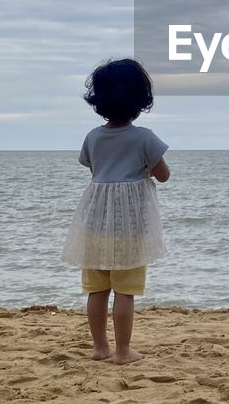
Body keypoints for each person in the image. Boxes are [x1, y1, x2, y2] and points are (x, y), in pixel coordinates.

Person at [61, 58, 170, 363]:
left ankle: (99, 348)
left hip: (95, 221)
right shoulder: (144, 137)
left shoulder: (93, 137)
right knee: (125, 291)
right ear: (140, 101)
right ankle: (123, 351)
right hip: (129, 226)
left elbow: (94, 169)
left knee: (97, 290)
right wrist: (145, 171)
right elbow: (162, 174)